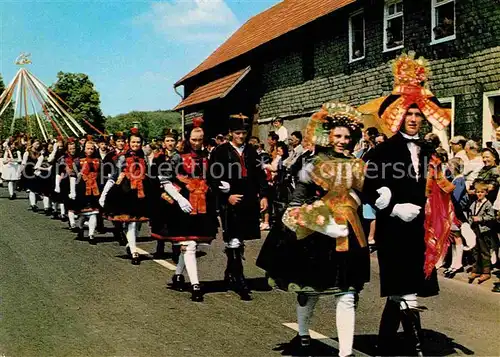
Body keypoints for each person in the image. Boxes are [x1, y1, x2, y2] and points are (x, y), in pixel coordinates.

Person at [257, 102, 369, 356]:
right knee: (311, 292)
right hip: (318, 236)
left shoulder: (358, 164)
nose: (342, 141)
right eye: (338, 136)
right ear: (328, 136)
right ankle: (304, 333)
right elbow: (296, 203)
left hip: (349, 234)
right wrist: (322, 221)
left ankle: (345, 352)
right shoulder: (312, 164)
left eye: (347, 137)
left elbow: (367, 192)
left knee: (347, 294)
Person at [364, 52, 451, 356]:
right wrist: (389, 206)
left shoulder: (429, 151)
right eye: (408, 114)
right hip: (393, 229)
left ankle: (386, 342)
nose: (413, 119)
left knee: (403, 289)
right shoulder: (383, 151)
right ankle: (416, 346)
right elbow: (367, 186)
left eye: (417, 115)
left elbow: (440, 186)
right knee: (406, 289)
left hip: (419, 229)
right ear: (399, 116)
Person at [152, 118, 218, 302]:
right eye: (194, 139)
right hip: (182, 204)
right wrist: (180, 199)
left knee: (192, 244)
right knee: (188, 245)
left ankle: (178, 275)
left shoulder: (207, 156)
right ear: (187, 138)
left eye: (200, 139)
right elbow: (164, 180)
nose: (197, 143)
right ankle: (196, 285)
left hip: (202, 204)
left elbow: (211, 177)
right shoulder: (176, 157)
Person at [209, 113, 268, 300]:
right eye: (237, 133)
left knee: (240, 238)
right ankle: (239, 278)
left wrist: (264, 195)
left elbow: (260, 175)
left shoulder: (252, 151)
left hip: (248, 199)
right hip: (231, 200)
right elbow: (212, 177)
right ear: (230, 133)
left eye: (243, 133)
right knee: (233, 237)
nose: (241, 137)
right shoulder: (220, 151)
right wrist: (227, 195)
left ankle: (230, 271)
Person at [100, 128, 153, 265]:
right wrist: (104, 193)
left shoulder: (144, 156)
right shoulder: (122, 157)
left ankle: (131, 244)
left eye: (138, 142)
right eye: (133, 142)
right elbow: (114, 175)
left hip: (141, 191)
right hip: (126, 191)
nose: (136, 144)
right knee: (132, 222)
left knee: (139, 222)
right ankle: (134, 252)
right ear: (129, 143)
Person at [69, 140, 102, 245]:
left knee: (94, 213)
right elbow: (73, 176)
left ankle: (91, 235)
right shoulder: (78, 161)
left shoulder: (99, 161)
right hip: (82, 188)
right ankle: (80, 228)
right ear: (84, 149)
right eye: (88, 148)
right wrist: (72, 190)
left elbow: (102, 175)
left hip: (95, 189)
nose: (90, 150)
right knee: (83, 213)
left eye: (92, 148)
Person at [468, 181, 496, 284]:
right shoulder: (474, 203)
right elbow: (470, 214)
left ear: (486, 193)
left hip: (484, 230)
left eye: (482, 192)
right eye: (477, 192)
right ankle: (476, 269)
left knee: (484, 251)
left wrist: (480, 218)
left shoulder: (488, 204)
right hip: (475, 230)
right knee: (475, 250)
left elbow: (491, 217)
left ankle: (486, 271)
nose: (479, 194)